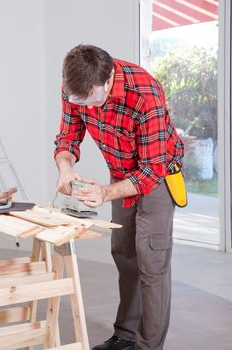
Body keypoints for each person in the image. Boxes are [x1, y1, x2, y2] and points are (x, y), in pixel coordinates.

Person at [54, 44, 184, 350]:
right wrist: (64, 168)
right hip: (121, 173)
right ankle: (125, 337)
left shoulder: (145, 93)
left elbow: (152, 170)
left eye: (90, 98)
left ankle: (148, 346)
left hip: (159, 177)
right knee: (124, 255)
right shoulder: (75, 84)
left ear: (108, 78)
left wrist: (105, 193)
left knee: (151, 264)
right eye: (77, 98)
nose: (85, 104)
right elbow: (68, 137)